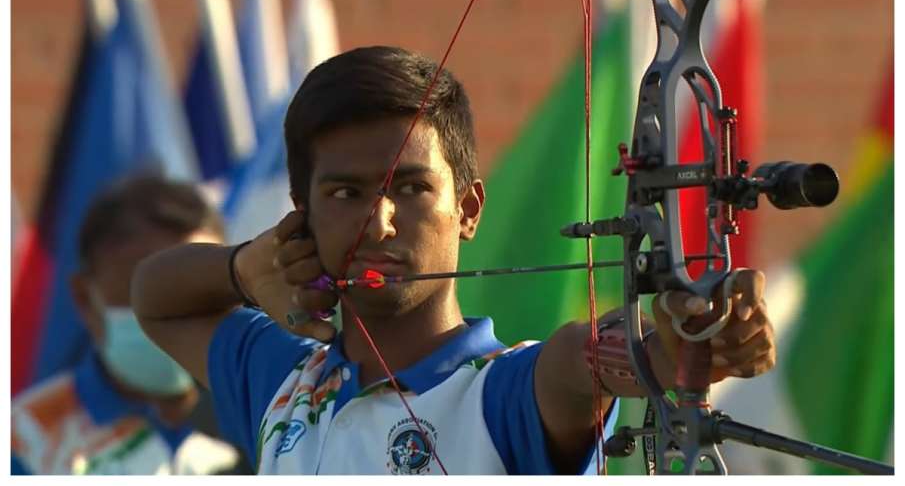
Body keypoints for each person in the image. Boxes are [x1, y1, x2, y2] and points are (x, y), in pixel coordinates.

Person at [132, 46, 775, 475]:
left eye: (410, 188)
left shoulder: (503, 393)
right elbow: (152, 296)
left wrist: (689, 341)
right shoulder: (285, 382)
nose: (379, 220)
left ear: (468, 210)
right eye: (345, 193)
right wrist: (248, 267)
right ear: (302, 213)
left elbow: (593, 359)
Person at [11, 176, 243, 475]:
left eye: (196, 287)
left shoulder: (277, 406)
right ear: (84, 298)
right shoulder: (26, 440)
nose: (174, 311)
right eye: (146, 289)